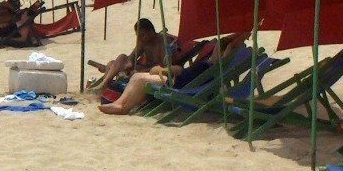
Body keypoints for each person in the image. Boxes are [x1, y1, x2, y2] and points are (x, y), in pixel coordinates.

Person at [99, 34, 244, 116]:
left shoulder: (216, 66)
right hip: (178, 79)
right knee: (137, 77)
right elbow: (222, 42)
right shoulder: (209, 62)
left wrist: (245, 32)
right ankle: (119, 103)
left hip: (178, 84)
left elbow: (230, 45)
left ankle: (123, 108)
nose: (215, 50)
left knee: (140, 78)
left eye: (218, 50)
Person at [89, 18, 166, 94]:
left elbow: (162, 68)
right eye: (138, 36)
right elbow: (132, 57)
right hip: (143, 68)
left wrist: (140, 71)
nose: (141, 38)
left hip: (154, 72)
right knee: (117, 60)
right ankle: (104, 86)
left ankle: (103, 88)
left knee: (111, 66)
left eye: (143, 35)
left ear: (151, 31)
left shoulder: (162, 42)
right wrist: (126, 65)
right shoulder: (144, 41)